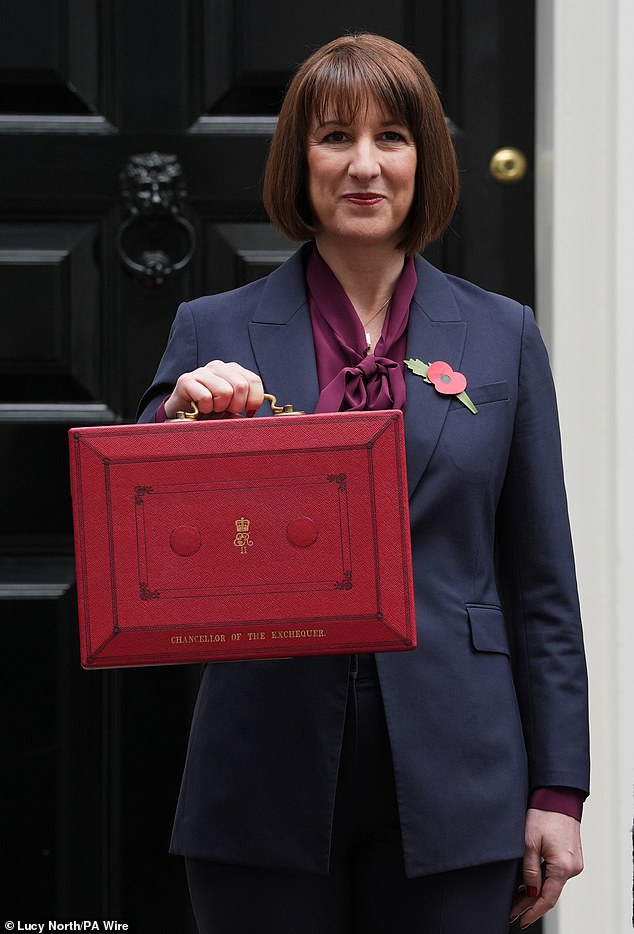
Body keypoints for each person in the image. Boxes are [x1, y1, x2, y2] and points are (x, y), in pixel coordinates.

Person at [137, 33, 589, 934]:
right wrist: (180, 422)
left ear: (427, 159)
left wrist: (559, 790)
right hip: (259, 775)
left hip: (463, 778)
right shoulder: (211, 329)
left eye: (393, 137)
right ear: (298, 161)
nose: (365, 165)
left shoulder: (503, 337)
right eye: (335, 136)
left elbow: (542, 585)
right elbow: (144, 551)